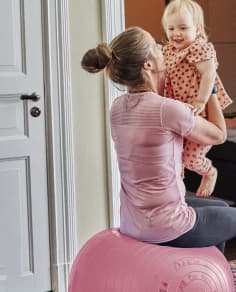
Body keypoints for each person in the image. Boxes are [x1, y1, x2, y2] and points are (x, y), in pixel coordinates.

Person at [81, 26, 236, 253]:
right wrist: (208, 83)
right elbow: (219, 134)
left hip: (134, 223)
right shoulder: (167, 110)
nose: (162, 48)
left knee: (219, 206)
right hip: (168, 226)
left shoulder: (117, 108)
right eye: (155, 45)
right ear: (148, 65)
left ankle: (212, 280)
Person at [161, 0, 233, 198]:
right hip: (180, 109)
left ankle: (209, 171)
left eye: (183, 28)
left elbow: (209, 76)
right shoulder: (168, 50)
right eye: (171, 28)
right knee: (175, 154)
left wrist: (201, 101)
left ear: (198, 28)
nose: (176, 33)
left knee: (192, 158)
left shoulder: (200, 48)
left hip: (200, 110)